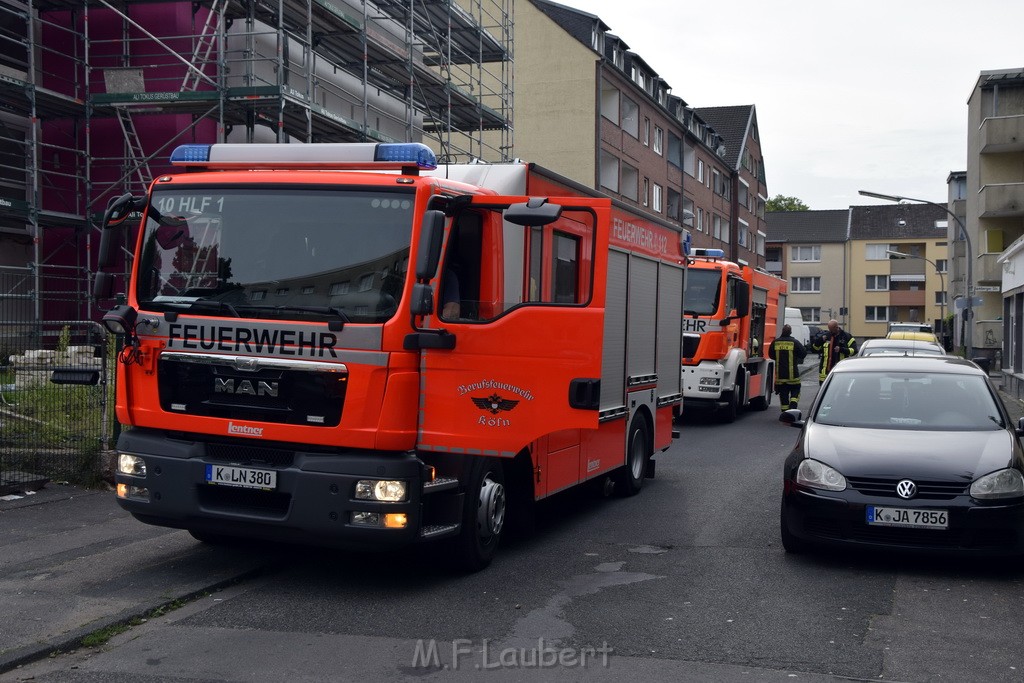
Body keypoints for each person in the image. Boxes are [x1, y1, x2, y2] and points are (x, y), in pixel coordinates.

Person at [769, 324, 807, 412]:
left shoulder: (775, 342)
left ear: (782, 331)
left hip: (781, 377)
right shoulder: (795, 342)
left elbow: (771, 355)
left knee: (783, 395)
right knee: (796, 390)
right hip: (793, 376)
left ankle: (785, 412)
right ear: (790, 332)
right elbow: (803, 353)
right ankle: (793, 406)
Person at [811, 319, 857, 384]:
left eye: (831, 330)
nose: (830, 331)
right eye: (829, 329)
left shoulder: (846, 336)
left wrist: (841, 349)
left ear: (836, 327)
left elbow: (854, 351)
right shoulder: (826, 336)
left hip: (841, 371)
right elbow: (814, 349)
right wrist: (820, 340)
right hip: (825, 373)